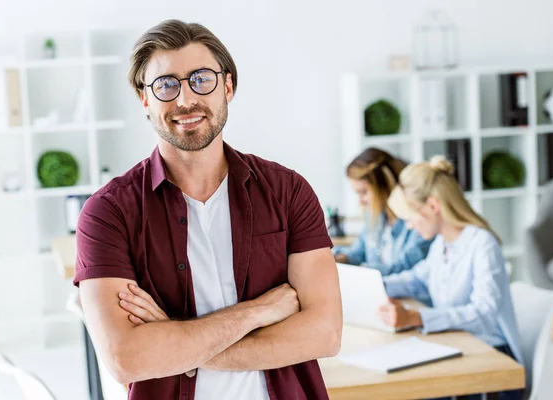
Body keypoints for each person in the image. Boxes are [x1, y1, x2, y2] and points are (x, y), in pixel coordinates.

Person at [74, 19, 342, 400]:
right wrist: (257, 312)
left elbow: (325, 333)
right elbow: (127, 359)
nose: (185, 100)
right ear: (144, 99)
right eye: (166, 85)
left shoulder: (287, 191)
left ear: (227, 86)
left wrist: (175, 343)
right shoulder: (108, 213)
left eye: (201, 79)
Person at [378, 155, 523, 400]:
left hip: (492, 361)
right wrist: (374, 286)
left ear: (433, 206)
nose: (410, 226)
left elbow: (484, 313)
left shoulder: (482, 244)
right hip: (458, 345)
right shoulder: (442, 243)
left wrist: (417, 317)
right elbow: (416, 279)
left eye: (411, 217)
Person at [333, 148, 432, 275]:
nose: (360, 201)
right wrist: (340, 258)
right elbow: (359, 250)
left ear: (385, 187)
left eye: (363, 192)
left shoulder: (417, 221)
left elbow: (403, 267)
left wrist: (361, 272)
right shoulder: (374, 215)